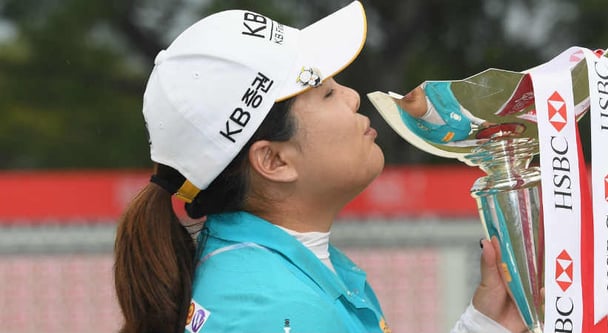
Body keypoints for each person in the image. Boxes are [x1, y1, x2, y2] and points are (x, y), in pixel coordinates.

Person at [113, 2, 526, 333]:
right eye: (326, 92)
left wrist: (482, 326)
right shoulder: (279, 311)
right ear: (274, 160)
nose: (352, 97)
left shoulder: (270, 277)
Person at [393, 81, 488, 144]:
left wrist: (481, 122)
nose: (408, 95)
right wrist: (475, 142)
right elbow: (453, 145)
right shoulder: (418, 120)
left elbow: (458, 108)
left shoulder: (438, 89)